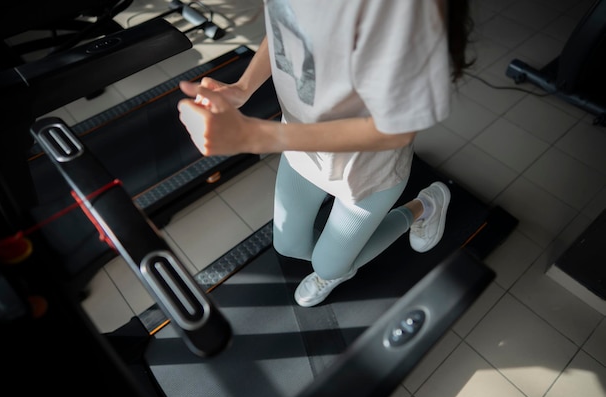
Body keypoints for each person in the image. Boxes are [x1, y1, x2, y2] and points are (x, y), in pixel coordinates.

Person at [177, 0, 474, 307]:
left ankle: (426, 205)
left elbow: (398, 129)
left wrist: (256, 136)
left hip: (365, 170)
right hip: (300, 147)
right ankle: (335, 263)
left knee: (329, 266)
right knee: (288, 245)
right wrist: (242, 87)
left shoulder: (399, 8)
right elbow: (285, 24)